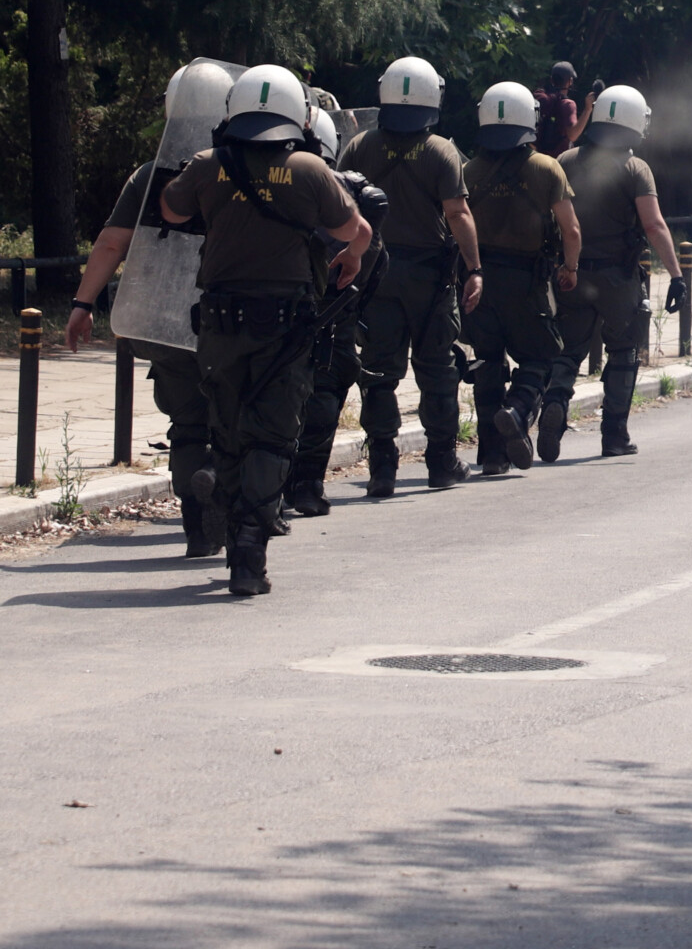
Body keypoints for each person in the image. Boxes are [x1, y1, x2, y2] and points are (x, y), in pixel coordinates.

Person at [159, 65, 370, 596]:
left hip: (219, 327)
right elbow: (355, 229)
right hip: (283, 330)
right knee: (273, 436)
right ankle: (250, 548)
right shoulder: (308, 169)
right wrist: (353, 258)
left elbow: (169, 207)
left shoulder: (209, 165)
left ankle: (233, 530)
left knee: (226, 433)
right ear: (298, 115)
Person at [337, 56, 482, 497]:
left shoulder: (360, 146)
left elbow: (339, 205)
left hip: (374, 273)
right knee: (437, 368)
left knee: (379, 372)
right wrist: (474, 269)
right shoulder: (441, 150)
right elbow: (457, 213)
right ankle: (441, 463)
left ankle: (382, 469)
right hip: (429, 278)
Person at [66, 162, 220, 557]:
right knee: (241, 417)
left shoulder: (152, 175)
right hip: (233, 319)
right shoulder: (255, 166)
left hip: (165, 320)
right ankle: (224, 491)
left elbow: (112, 243)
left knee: (188, 423)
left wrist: (83, 304)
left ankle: (196, 527)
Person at [544, 86, 685, 460]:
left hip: (572, 274)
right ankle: (614, 435)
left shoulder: (567, 160)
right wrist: (676, 275)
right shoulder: (636, 168)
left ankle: (553, 409)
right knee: (623, 352)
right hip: (618, 279)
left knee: (568, 351)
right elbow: (654, 226)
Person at [463, 82, 581, 473]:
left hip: (479, 283)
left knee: (488, 365)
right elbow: (571, 230)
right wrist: (571, 268)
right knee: (542, 355)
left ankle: (492, 457)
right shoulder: (547, 168)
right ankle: (518, 410)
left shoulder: (469, 171)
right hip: (527, 281)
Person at [284, 110, 389, 517]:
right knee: (325, 395)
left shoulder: (255, 179)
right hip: (329, 313)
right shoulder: (352, 199)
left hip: (273, 305)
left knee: (266, 395)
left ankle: (264, 487)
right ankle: (307, 484)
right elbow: (372, 257)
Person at [533, 62, 593, 157]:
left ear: (551, 80)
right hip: (558, 161)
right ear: (570, 81)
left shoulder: (540, 98)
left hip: (537, 155)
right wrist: (587, 109)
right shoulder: (568, 104)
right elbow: (573, 135)